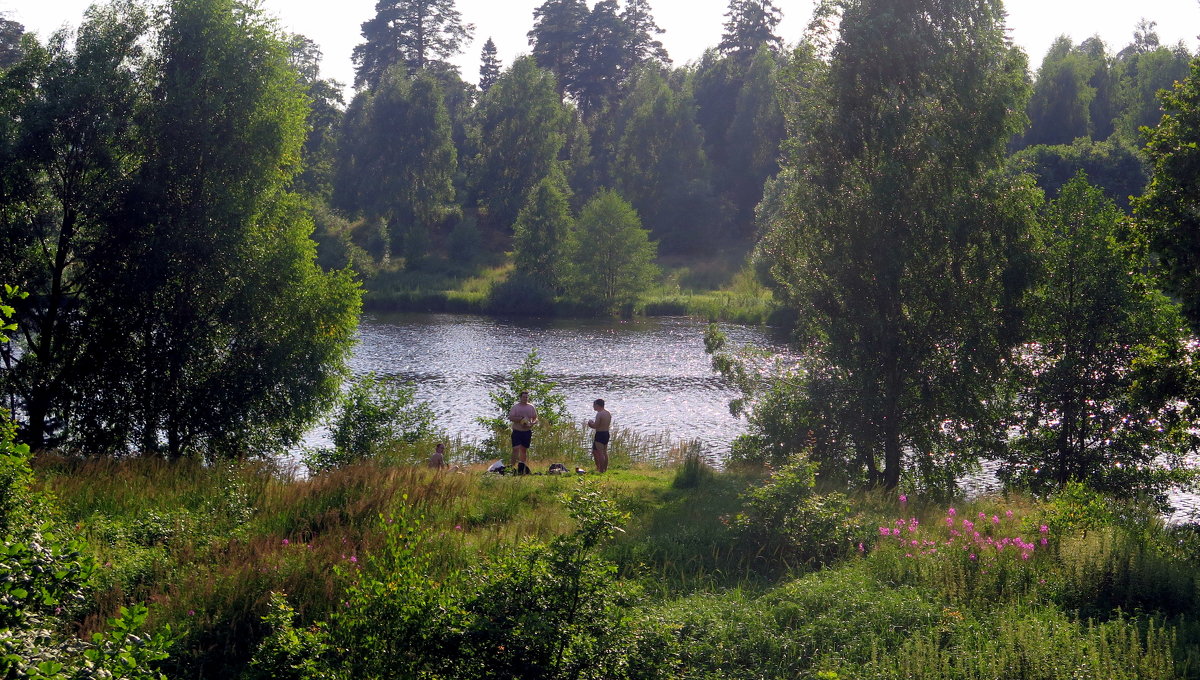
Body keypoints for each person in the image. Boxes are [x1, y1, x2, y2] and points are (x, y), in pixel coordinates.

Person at [508, 390, 538, 471]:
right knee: (516, 448)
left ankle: (522, 468)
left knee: (524, 449)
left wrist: (533, 423)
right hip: (517, 431)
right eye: (524, 397)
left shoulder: (531, 407)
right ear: (520, 398)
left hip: (527, 432)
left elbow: (535, 418)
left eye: (526, 397)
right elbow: (510, 417)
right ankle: (512, 467)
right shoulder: (516, 407)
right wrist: (520, 419)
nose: (525, 398)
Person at [587, 398, 611, 473]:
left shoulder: (599, 414)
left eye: (594, 405)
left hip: (600, 434)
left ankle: (601, 470)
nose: (593, 407)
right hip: (606, 433)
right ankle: (604, 468)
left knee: (600, 453)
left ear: (597, 405)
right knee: (603, 452)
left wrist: (590, 423)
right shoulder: (608, 413)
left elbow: (595, 426)